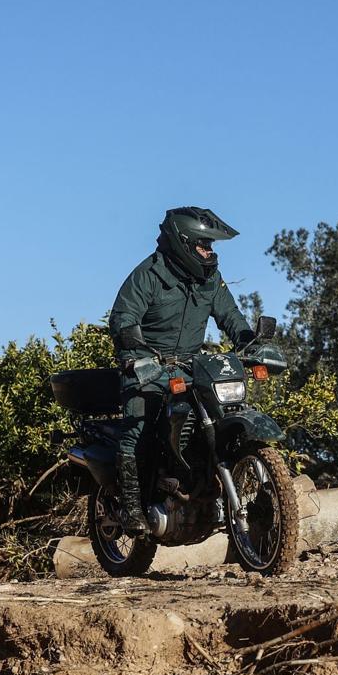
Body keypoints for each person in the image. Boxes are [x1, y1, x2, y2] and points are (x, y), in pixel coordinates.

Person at [108, 207, 254, 533]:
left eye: (211, 246)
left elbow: (230, 315)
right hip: (147, 367)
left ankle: (209, 489)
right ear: (183, 242)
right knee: (138, 431)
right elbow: (123, 318)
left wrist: (249, 342)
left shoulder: (209, 278)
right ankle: (132, 510)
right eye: (204, 245)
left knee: (221, 415)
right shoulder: (148, 275)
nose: (210, 252)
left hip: (190, 366)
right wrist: (135, 352)